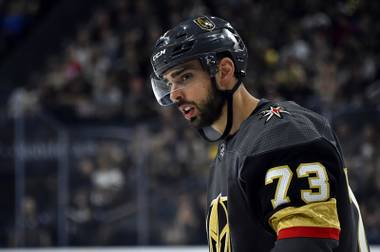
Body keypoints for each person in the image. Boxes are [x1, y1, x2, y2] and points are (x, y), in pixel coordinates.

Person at [150, 15, 369, 252]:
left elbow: (306, 245)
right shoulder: (229, 152)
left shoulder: (283, 134)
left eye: (185, 77)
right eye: (169, 83)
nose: (174, 95)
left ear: (224, 71)